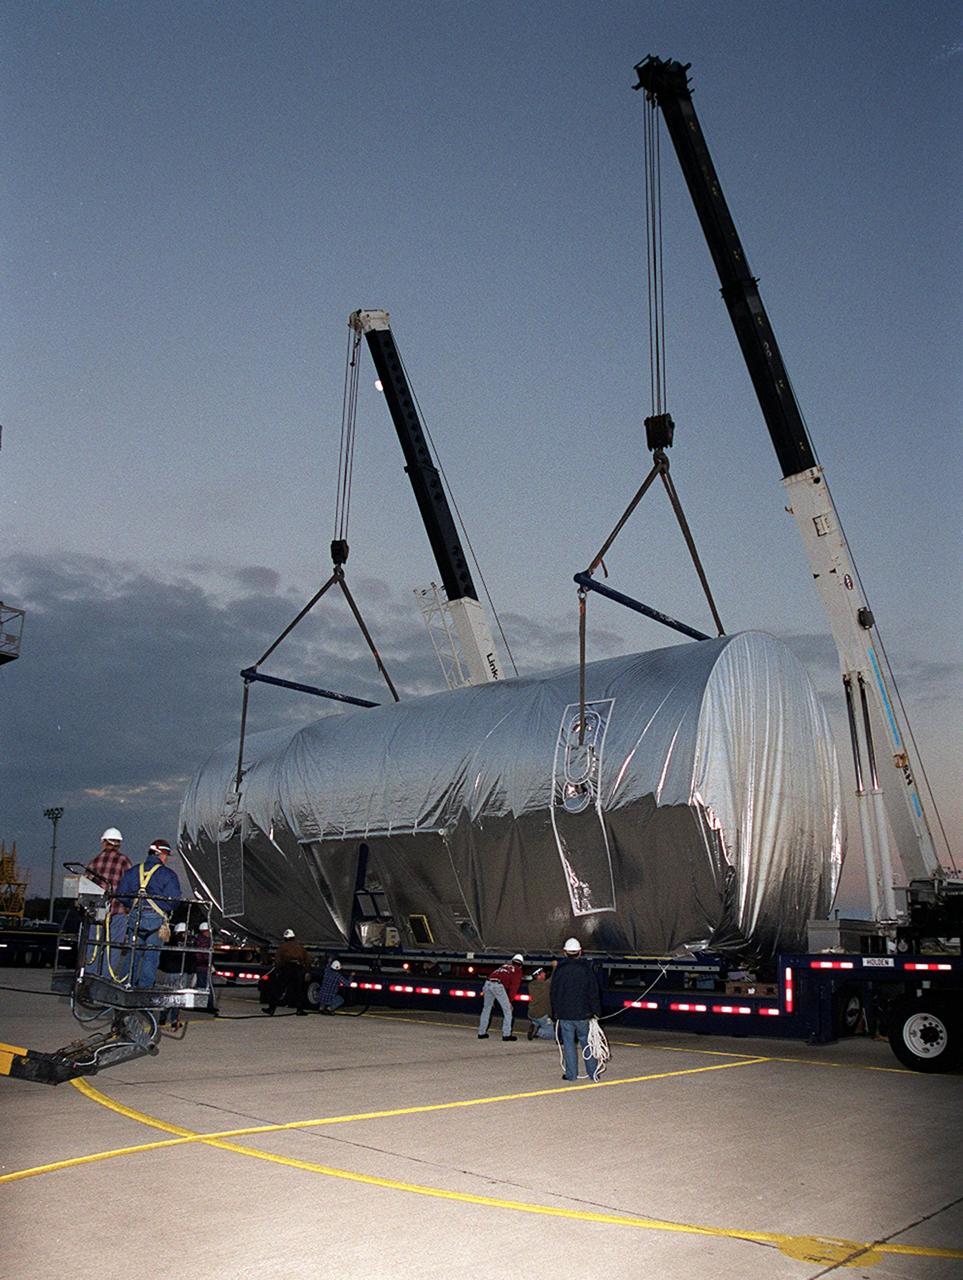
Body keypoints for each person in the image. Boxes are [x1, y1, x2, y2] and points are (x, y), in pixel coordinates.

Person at [114, 839, 183, 989]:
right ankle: (144, 992)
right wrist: (161, 907)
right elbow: (175, 900)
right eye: (165, 855)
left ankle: (125, 986)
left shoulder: (133, 871)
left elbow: (121, 894)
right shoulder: (167, 874)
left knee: (133, 955)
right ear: (161, 854)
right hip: (156, 921)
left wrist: (133, 904)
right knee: (151, 957)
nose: (166, 859)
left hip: (136, 917)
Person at [550, 937, 602, 1082]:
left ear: (565, 953)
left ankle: (571, 1075)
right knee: (587, 1042)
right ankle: (593, 1073)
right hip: (583, 1014)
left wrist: (555, 1012)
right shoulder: (586, 969)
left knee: (568, 1044)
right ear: (580, 952)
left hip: (565, 1014)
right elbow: (593, 992)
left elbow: (554, 992)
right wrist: (597, 1012)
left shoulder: (559, 970)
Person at [478, 953, 524, 1041]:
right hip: (497, 985)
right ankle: (506, 1034)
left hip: (487, 983)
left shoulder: (504, 966)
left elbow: (494, 976)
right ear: (521, 964)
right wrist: (510, 1001)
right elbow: (514, 987)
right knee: (508, 1010)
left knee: (486, 1009)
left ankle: (481, 1032)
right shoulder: (517, 970)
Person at [263, 928, 310, 1016]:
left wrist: (277, 970)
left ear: (285, 938)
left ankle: (271, 1009)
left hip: (287, 969)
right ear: (293, 937)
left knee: (278, 989)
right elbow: (307, 959)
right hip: (298, 969)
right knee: (299, 990)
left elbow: (278, 959)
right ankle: (300, 1010)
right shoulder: (299, 947)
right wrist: (306, 971)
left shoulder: (283, 947)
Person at [84, 827, 132, 911]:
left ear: (103, 842)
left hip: (97, 911)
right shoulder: (124, 861)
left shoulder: (94, 862)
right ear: (119, 844)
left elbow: (85, 886)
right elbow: (131, 886)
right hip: (118, 910)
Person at [526, 967, 555, 1040]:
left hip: (532, 1013)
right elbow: (553, 977)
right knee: (551, 1035)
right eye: (542, 973)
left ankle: (535, 1024)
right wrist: (555, 967)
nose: (545, 974)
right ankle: (537, 1032)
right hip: (542, 1014)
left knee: (538, 1021)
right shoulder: (545, 985)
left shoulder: (531, 985)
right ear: (538, 976)